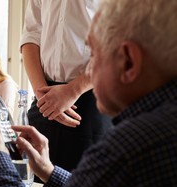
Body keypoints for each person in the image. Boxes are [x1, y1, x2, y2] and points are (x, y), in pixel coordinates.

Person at [0, 0, 177, 187]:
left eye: (92, 55)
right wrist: (49, 172)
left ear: (128, 62)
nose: (87, 72)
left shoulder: (131, 148)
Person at [20, 0, 112, 174]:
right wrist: (42, 95)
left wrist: (74, 89)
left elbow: (118, 43)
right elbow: (30, 37)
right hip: (44, 99)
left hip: (90, 100)